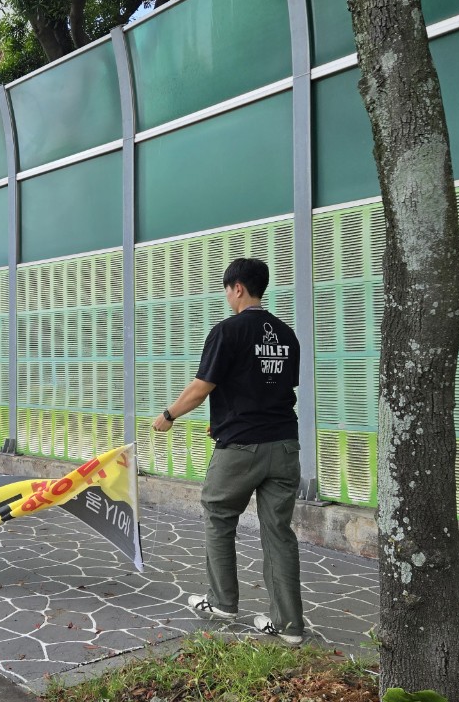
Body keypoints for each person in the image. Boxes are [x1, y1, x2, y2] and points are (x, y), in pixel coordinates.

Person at [151, 257, 305, 644]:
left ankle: (222, 603)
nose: (227, 296)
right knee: (279, 533)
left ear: (237, 288)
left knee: (219, 516)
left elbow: (204, 386)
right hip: (285, 445)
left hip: (241, 448)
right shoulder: (287, 335)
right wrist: (221, 420)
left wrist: (168, 415)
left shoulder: (228, 331)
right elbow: (267, 388)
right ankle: (290, 627)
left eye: (226, 289)